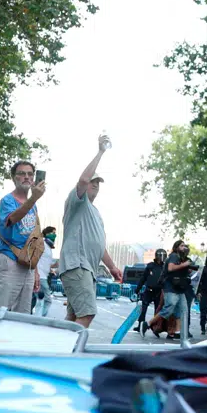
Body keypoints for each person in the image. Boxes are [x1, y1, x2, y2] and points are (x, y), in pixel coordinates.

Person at [59, 135, 125, 330]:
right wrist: (101, 151)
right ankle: (68, 355)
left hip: (86, 268)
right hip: (77, 265)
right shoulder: (76, 201)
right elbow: (83, 179)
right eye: (93, 181)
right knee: (87, 313)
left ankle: (58, 350)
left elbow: (100, 246)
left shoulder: (95, 213)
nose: (95, 184)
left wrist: (113, 267)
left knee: (74, 316)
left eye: (98, 182)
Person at [0, 159, 46, 313]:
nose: (26, 177)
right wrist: (33, 198)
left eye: (30, 174)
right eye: (21, 174)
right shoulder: (8, 200)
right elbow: (12, 219)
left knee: (22, 314)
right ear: (14, 178)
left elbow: (32, 240)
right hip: (9, 260)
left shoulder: (33, 205)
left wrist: (35, 271)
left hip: (26, 264)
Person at [137, 249, 167, 335]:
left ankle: (155, 328)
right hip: (148, 291)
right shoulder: (150, 266)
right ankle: (140, 325)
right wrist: (137, 289)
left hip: (159, 292)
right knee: (143, 309)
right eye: (160, 255)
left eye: (163, 256)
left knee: (157, 311)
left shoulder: (165, 267)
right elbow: (143, 278)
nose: (162, 258)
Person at [35, 227, 57, 317]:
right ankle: (39, 319)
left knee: (36, 299)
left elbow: (46, 263)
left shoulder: (48, 247)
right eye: (53, 232)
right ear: (46, 233)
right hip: (40, 276)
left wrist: (53, 267)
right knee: (47, 300)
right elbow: (35, 258)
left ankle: (34, 317)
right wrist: (35, 273)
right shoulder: (42, 243)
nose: (54, 235)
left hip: (43, 276)